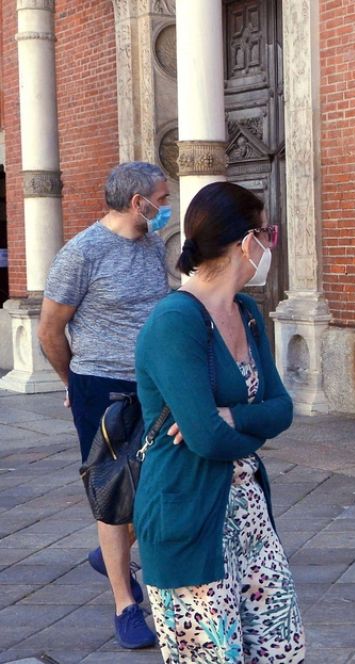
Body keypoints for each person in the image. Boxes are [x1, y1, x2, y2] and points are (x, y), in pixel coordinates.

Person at [133, 182, 305, 661]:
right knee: (213, 656)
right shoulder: (175, 321)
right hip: (187, 512)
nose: (271, 244)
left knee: (280, 649)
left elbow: (283, 408)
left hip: (248, 512)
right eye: (267, 233)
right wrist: (240, 426)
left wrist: (233, 417)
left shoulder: (247, 312)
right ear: (245, 242)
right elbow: (208, 440)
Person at [38, 161, 170, 649]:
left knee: (158, 484)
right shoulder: (82, 254)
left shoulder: (154, 245)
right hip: (101, 387)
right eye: (163, 195)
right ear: (139, 203)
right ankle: (125, 605)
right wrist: (70, 380)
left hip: (155, 385)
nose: (167, 205)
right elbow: (50, 330)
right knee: (114, 493)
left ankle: (108, 552)